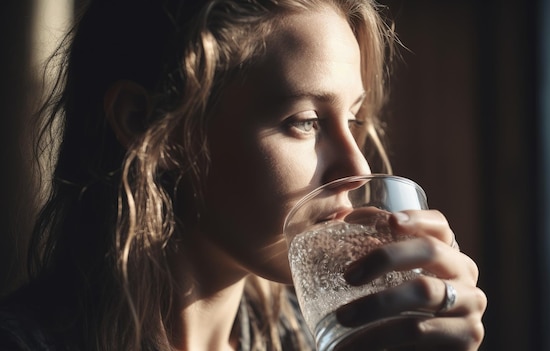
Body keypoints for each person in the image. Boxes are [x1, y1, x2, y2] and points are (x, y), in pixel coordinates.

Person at [0, 0, 487, 350]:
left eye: (354, 119)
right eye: (305, 122)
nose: (357, 167)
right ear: (148, 125)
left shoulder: (329, 334)